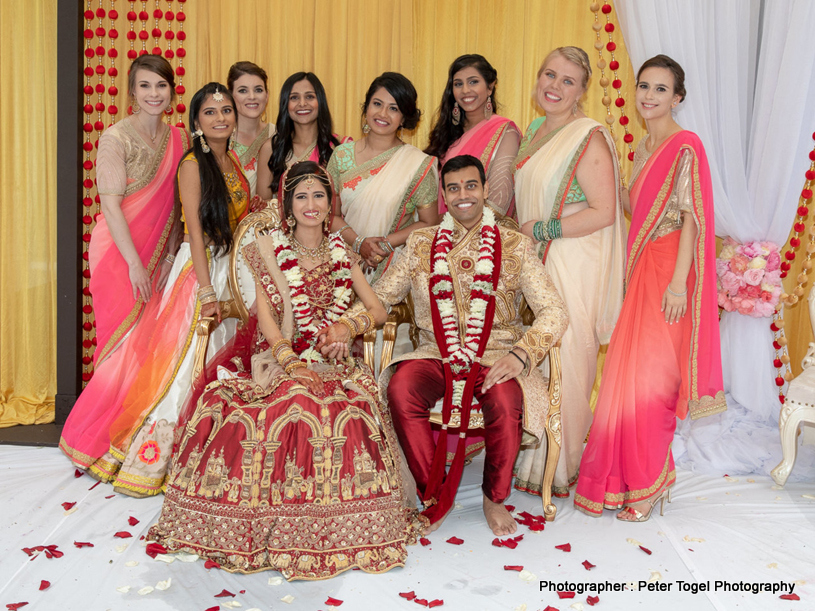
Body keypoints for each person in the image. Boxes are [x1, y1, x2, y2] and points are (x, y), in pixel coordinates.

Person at [148, 162, 419, 579]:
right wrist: (291, 362)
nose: (311, 205)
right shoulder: (267, 251)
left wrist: (348, 327)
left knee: (344, 409)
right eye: (301, 196)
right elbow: (270, 322)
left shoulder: (341, 253)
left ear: (331, 204)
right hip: (278, 358)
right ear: (287, 205)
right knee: (270, 404)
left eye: (319, 196)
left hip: (333, 361)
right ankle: (262, 523)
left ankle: (335, 525)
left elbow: (378, 308)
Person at [321, 155, 568, 536]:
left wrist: (522, 355)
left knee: (505, 400)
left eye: (471, 186)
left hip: (498, 352)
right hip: (434, 351)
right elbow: (383, 298)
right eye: (453, 188)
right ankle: (432, 491)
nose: (463, 195)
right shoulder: (421, 244)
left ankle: (493, 497)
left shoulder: (515, 247)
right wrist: (345, 325)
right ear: (444, 196)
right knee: (402, 389)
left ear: (485, 190)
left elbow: (554, 310)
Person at [60, 83, 249, 497]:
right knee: (182, 367)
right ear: (196, 121)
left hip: (230, 269)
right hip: (200, 272)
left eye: (226, 111)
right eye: (210, 112)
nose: (220, 118)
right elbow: (195, 234)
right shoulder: (193, 165)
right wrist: (206, 291)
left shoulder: (231, 159)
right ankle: (157, 458)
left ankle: (214, 449)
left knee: (221, 359)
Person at [574, 55, 725, 521]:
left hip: (669, 272)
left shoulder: (685, 145)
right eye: (644, 86)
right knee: (625, 380)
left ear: (678, 97)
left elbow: (691, 219)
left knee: (653, 383)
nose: (648, 96)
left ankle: (647, 484)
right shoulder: (642, 149)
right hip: (640, 272)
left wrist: (679, 283)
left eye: (661, 89)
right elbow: (633, 210)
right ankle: (621, 481)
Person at [512, 46, 627, 501]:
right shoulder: (536, 129)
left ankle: (563, 466)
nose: (554, 87)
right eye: (548, 75)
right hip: (539, 258)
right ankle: (534, 453)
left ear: (581, 92)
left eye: (567, 81)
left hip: (574, 258)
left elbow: (604, 210)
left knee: (566, 356)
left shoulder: (588, 135)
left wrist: (542, 228)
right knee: (538, 356)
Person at [88, 54, 187, 367]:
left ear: (172, 91)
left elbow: (179, 204)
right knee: (121, 342)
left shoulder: (181, 139)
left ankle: (143, 415)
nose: (153, 93)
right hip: (119, 255)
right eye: (145, 86)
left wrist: (171, 256)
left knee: (152, 343)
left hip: (161, 256)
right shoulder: (115, 139)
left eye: (161, 85)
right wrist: (134, 264)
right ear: (132, 91)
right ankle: (111, 412)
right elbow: (110, 207)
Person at [327, 72, 439, 282]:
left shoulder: (417, 163)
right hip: (344, 260)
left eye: (394, 108)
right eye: (377, 104)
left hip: (393, 266)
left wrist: (385, 244)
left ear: (404, 118)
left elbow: (428, 222)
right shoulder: (341, 155)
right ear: (366, 107)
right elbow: (330, 215)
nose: (383, 114)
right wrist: (359, 243)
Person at [425, 54, 520, 216]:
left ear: (490, 87)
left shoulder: (505, 131)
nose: (465, 90)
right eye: (458, 84)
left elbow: (498, 203)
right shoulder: (446, 135)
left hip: (485, 235)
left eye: (473, 82)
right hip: (442, 233)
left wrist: (441, 226)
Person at [256, 72, 350, 207]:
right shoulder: (272, 148)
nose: (302, 103)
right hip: (283, 226)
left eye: (309, 97)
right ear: (285, 104)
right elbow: (264, 208)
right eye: (294, 98)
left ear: (320, 101)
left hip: (330, 226)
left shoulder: (340, 147)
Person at [227, 61, 273, 197]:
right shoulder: (221, 137)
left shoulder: (278, 135)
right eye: (243, 91)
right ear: (230, 95)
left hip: (270, 216)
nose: (252, 97)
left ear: (267, 95)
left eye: (258, 90)